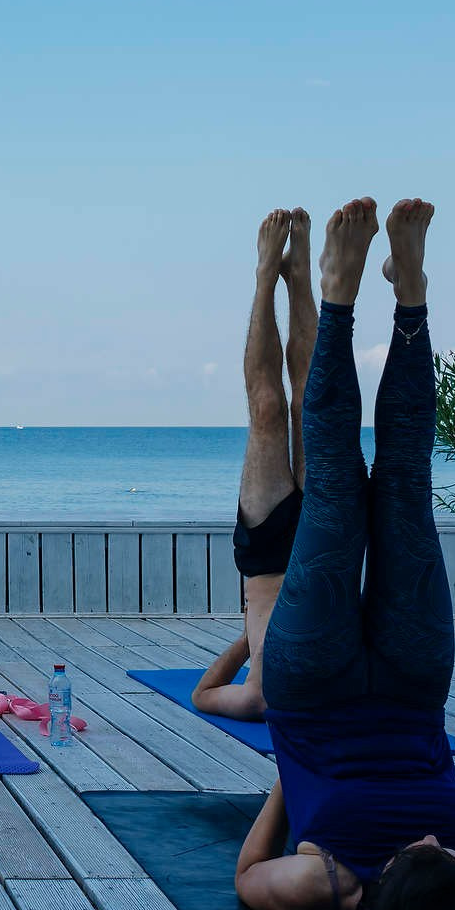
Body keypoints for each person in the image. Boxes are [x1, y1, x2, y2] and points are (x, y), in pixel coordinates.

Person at [234, 198, 455, 910]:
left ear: (386, 894)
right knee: (403, 481)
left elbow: (244, 877)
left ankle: (336, 293)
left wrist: (290, 773)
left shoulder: (321, 887)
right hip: (411, 684)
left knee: (333, 489)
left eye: (421, 855)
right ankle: (411, 295)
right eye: (448, 856)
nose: (437, 842)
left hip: (315, 693)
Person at [194, 208, 315, 722]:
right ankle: (302, 278)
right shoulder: (339, 697)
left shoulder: (259, 700)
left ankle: (266, 279)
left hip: (266, 561)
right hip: (325, 550)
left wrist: (247, 641)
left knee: (267, 411)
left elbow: (202, 694)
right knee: (309, 403)